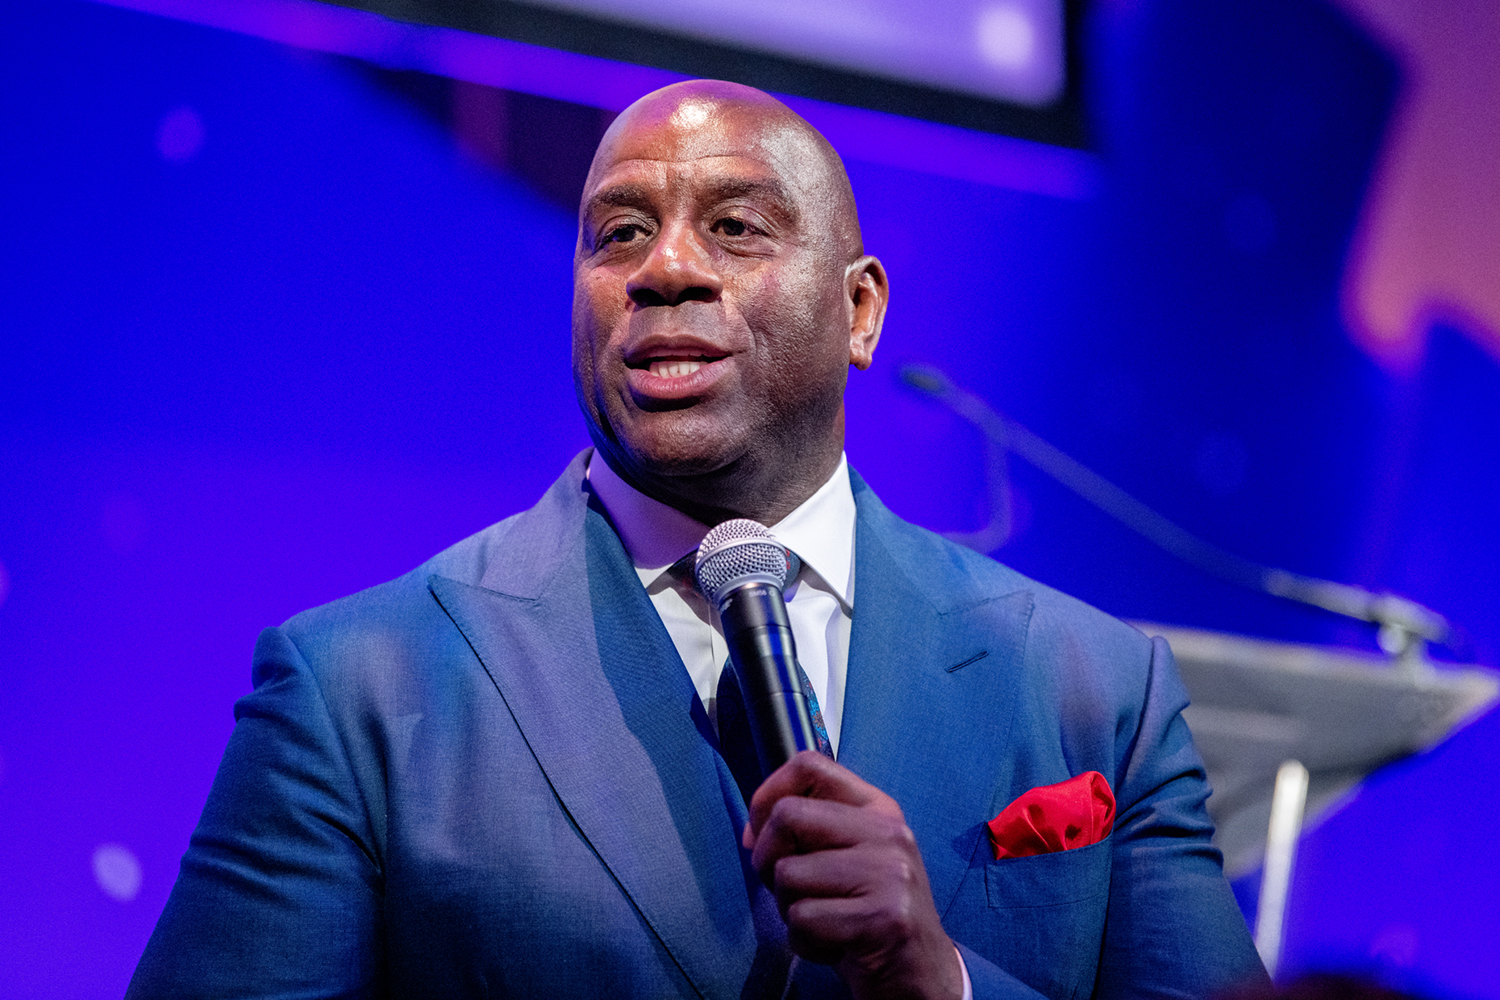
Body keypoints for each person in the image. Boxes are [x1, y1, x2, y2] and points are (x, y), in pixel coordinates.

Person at [127, 80, 1267, 999]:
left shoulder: (1095, 691)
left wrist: (940, 979)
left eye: (735, 227)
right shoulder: (358, 686)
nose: (664, 269)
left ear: (860, 310)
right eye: (618, 232)